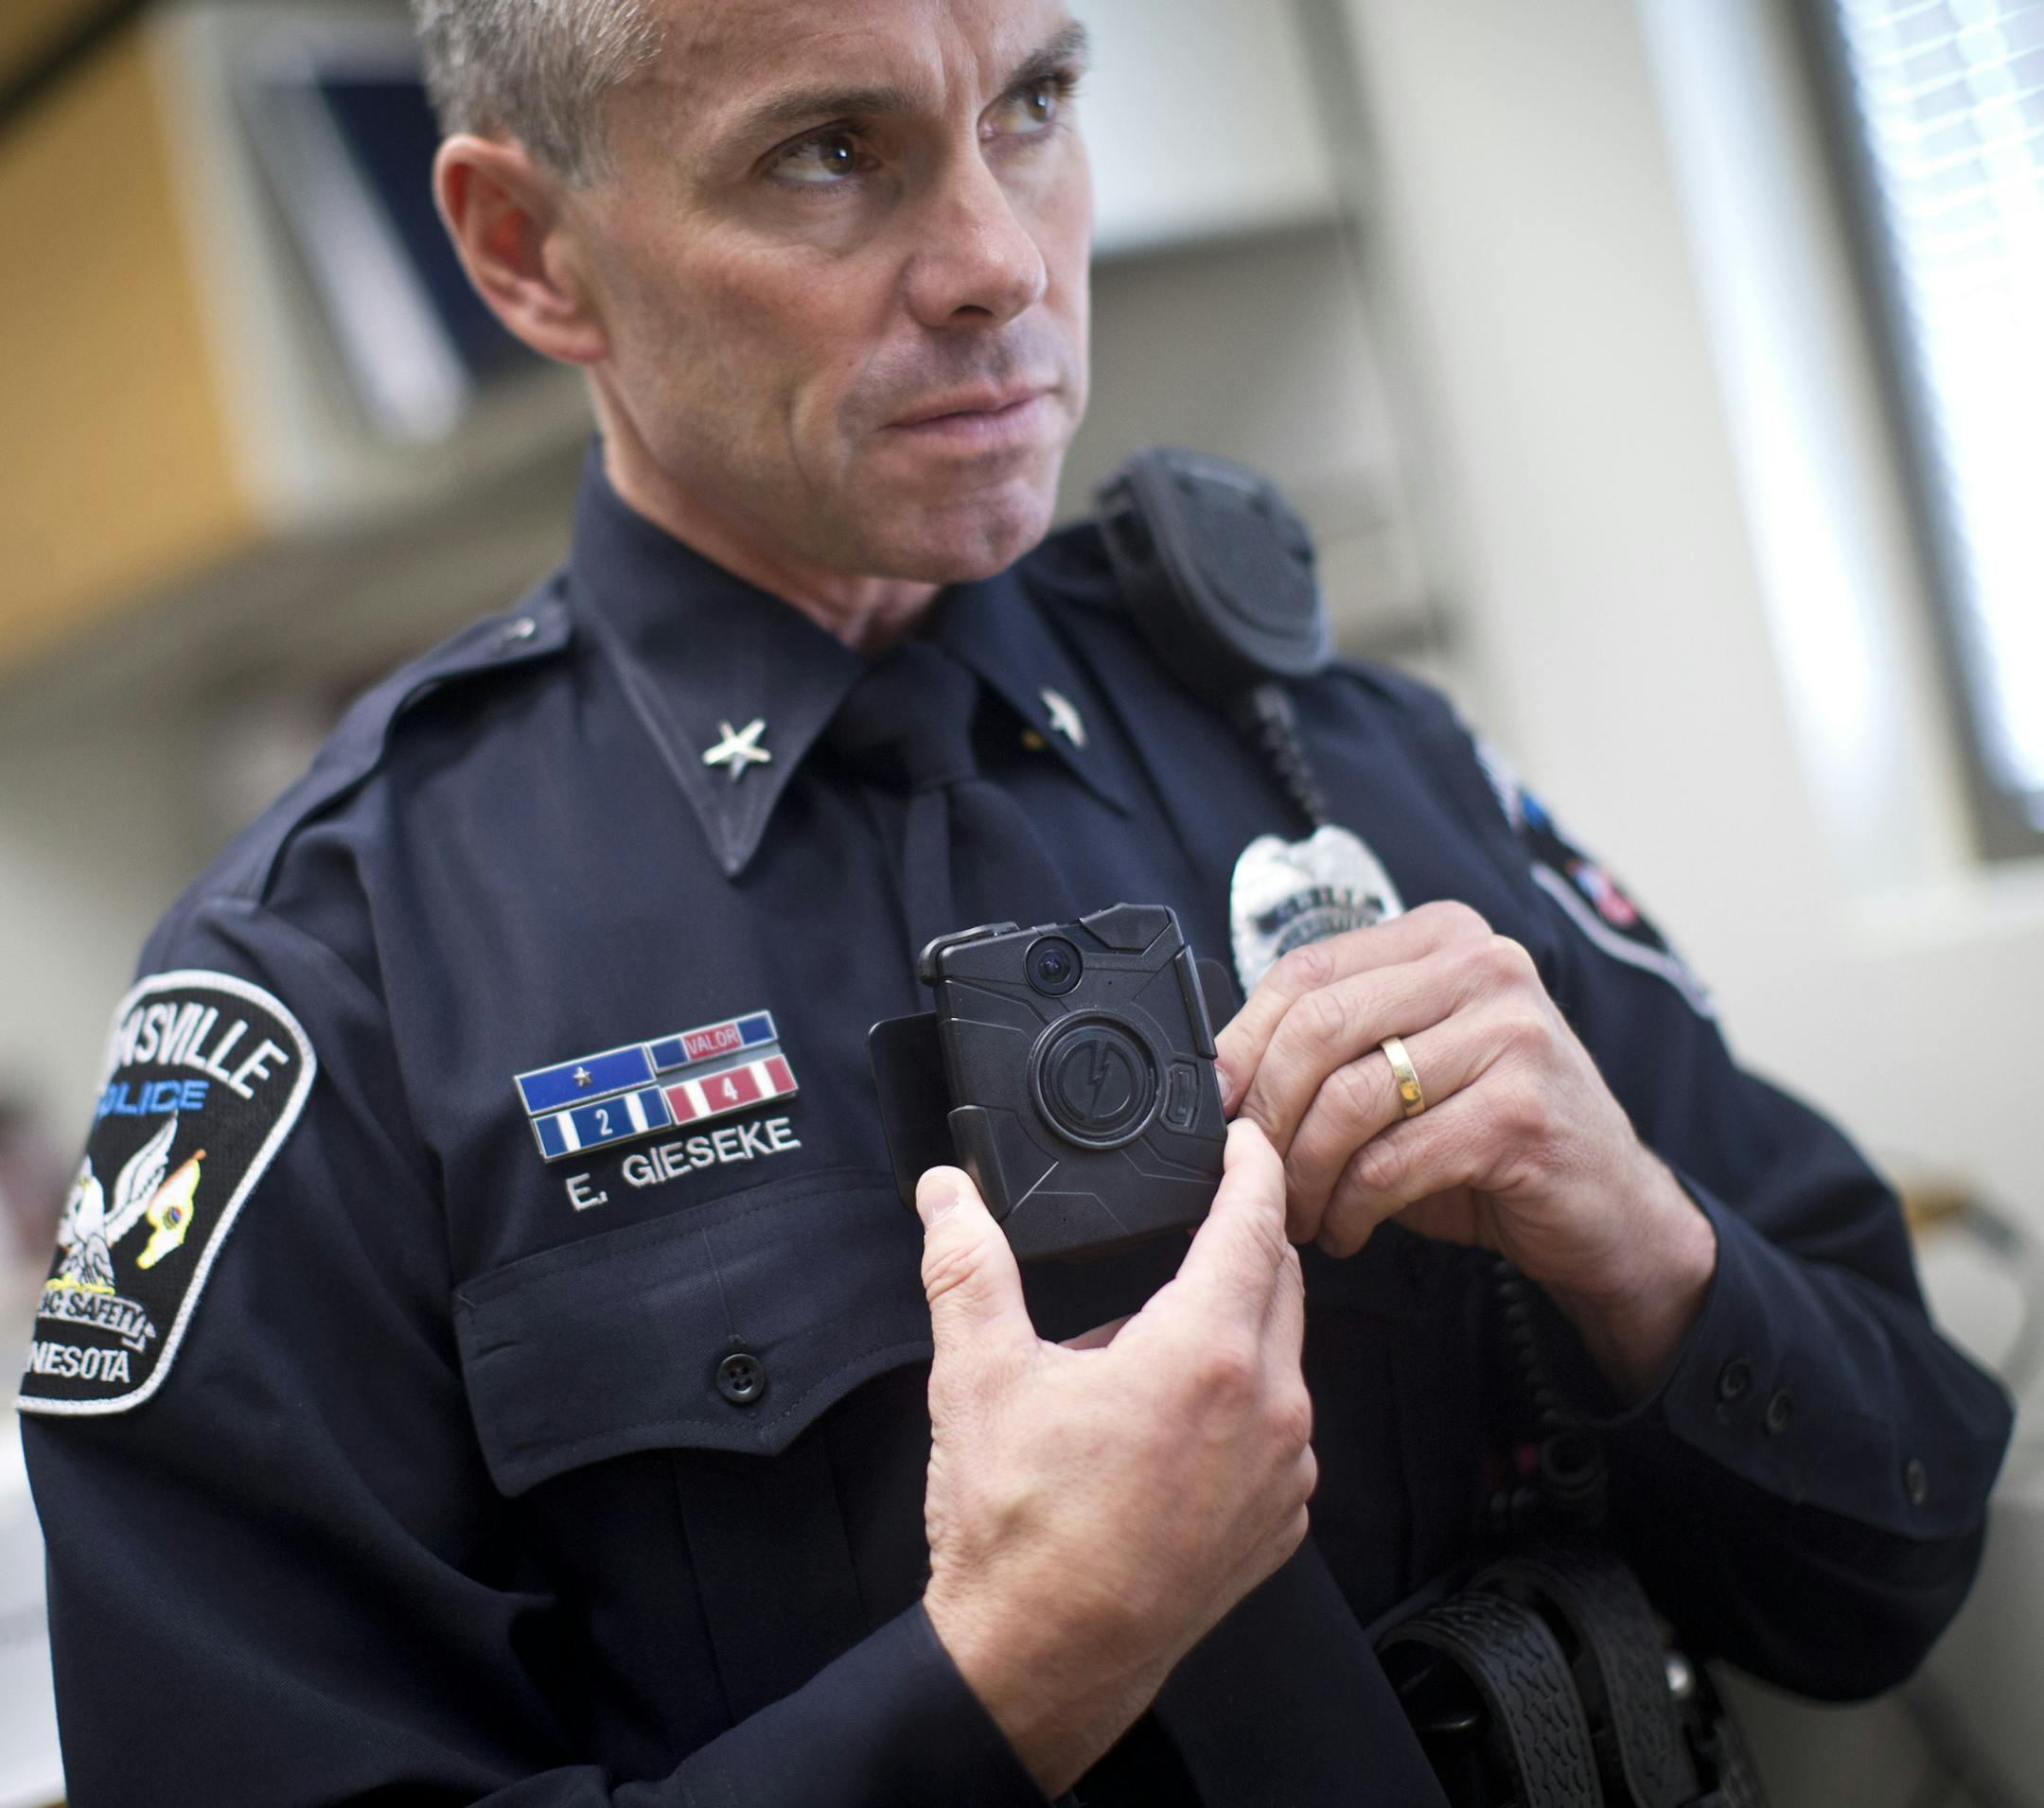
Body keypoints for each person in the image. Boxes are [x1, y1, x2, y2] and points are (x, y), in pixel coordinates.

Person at [20, 1, 2013, 1802]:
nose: (999, 262)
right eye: (830, 153)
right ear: (531, 251)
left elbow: (1899, 1549)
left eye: (1039, 105)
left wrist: (1645, 1255)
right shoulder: (330, 980)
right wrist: (1010, 1674)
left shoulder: (1350, 755)